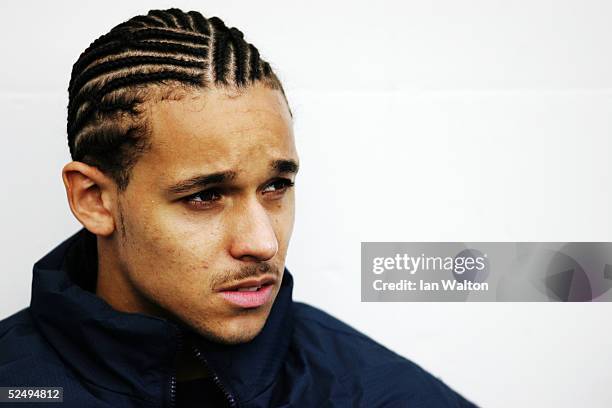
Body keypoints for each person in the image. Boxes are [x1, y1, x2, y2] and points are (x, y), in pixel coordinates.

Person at [0, 8, 477, 407]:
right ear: (94, 200)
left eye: (275, 187)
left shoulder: (375, 390)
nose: (262, 242)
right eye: (205, 196)